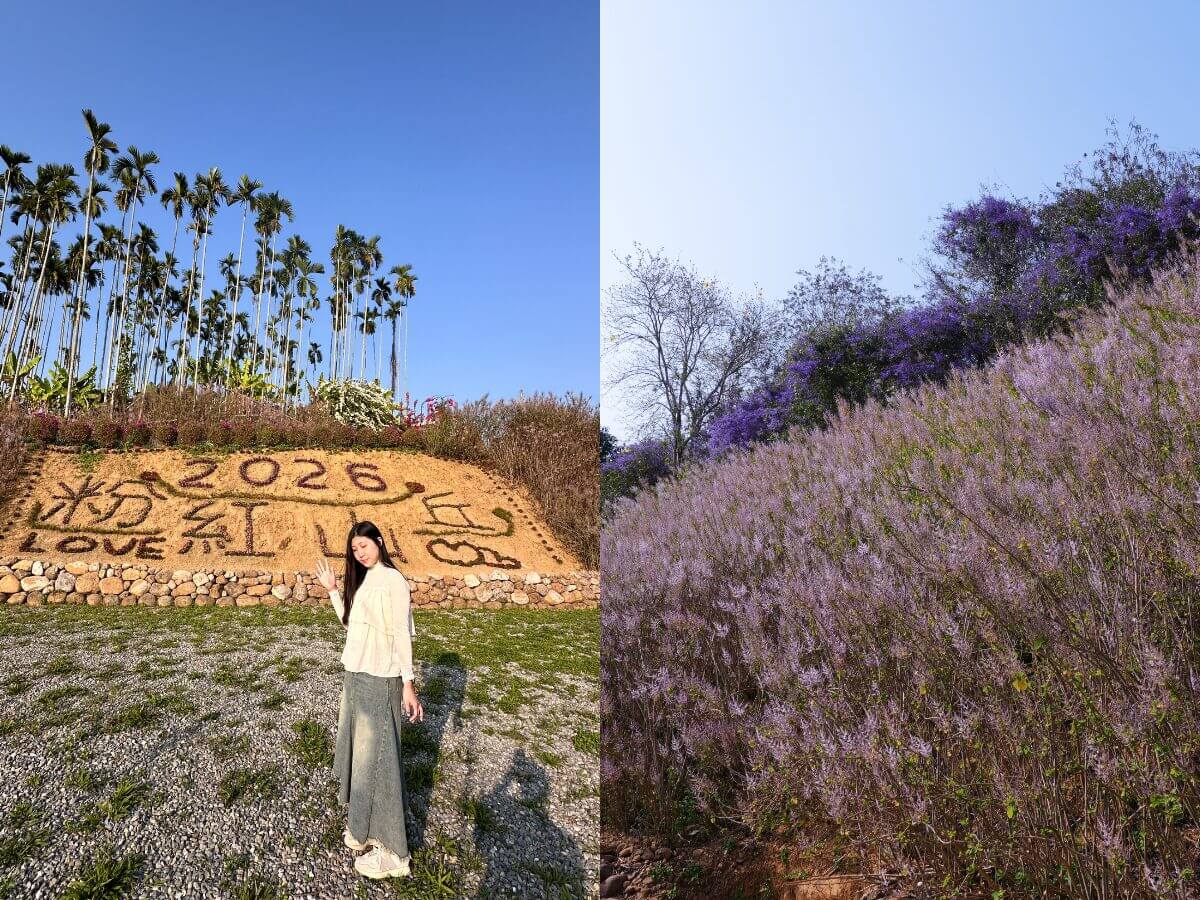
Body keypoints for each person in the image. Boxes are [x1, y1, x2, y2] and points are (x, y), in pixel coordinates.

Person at [312, 520, 424, 880]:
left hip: (380, 678)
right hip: (356, 675)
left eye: (364, 545)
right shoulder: (364, 581)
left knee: (379, 761)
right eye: (354, 549)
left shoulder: (393, 581)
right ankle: (360, 827)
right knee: (361, 757)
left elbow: (400, 635)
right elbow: (351, 625)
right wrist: (333, 591)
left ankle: (394, 852)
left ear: (378, 541)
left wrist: (408, 682)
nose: (359, 553)